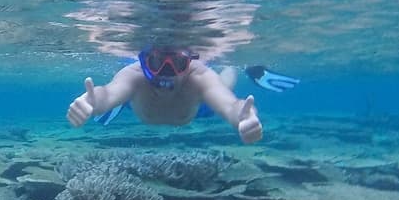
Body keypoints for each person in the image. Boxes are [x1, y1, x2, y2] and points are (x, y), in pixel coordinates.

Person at [66, 47, 263, 144]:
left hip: (198, 106)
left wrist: (244, 117)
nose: (165, 72)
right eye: (156, 62)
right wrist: (92, 101)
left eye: (177, 63)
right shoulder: (134, 76)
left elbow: (230, 105)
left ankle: (235, 66)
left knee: (223, 84)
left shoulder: (199, 77)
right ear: (144, 63)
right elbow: (108, 93)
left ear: (188, 64)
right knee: (121, 97)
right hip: (133, 101)